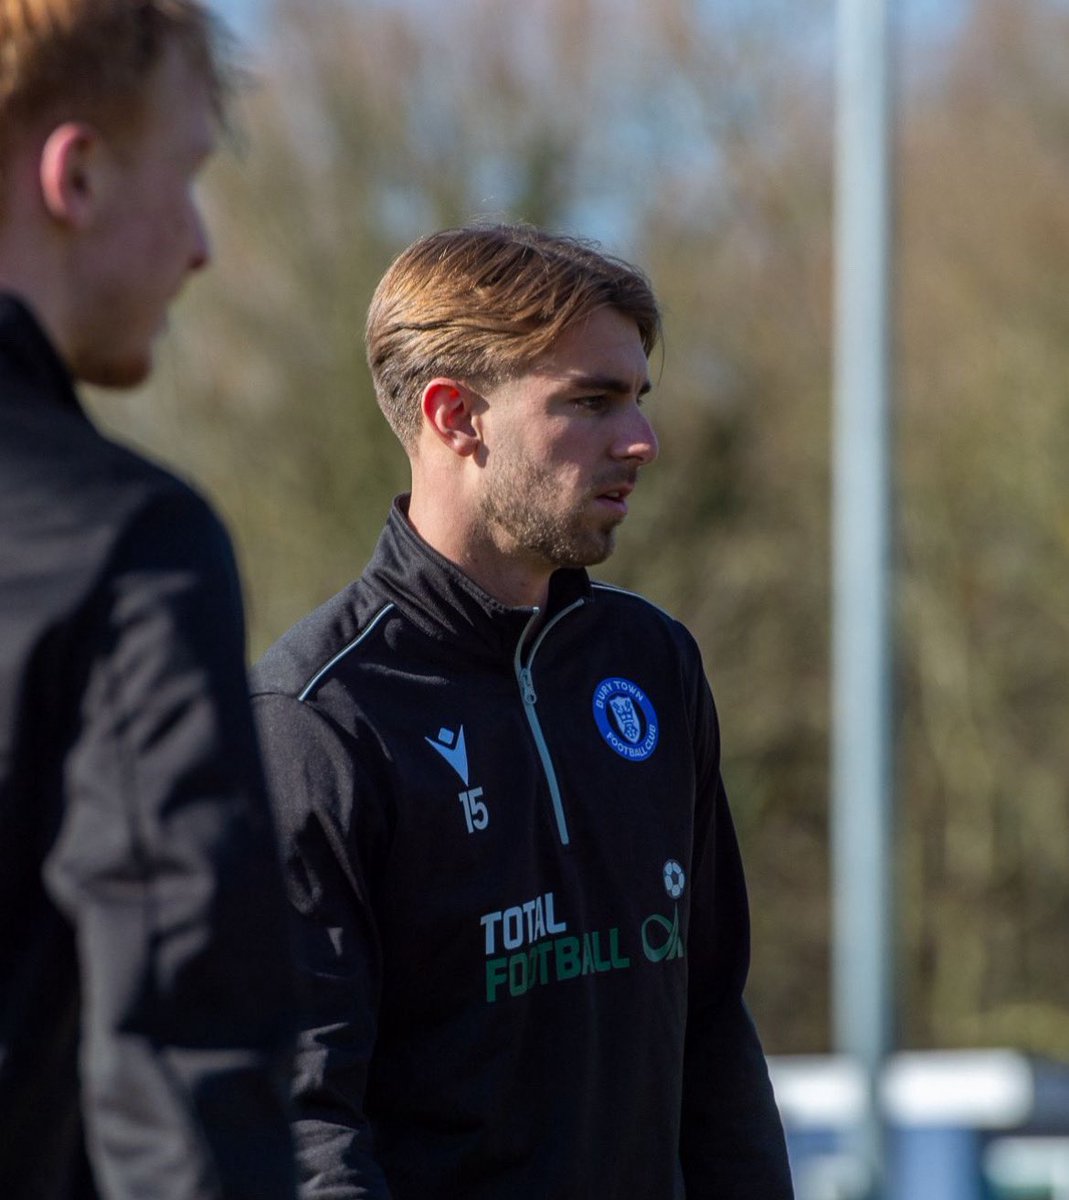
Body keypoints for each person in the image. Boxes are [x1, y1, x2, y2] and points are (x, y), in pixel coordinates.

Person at [253, 223, 794, 1199]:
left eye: (637, 400)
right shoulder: (315, 724)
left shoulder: (652, 664)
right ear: (455, 415)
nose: (640, 440)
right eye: (589, 402)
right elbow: (301, 1127)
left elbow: (709, 1021)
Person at [0, 3, 297, 1197]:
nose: (199, 244)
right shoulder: (126, 542)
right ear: (76, 174)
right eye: (187, 176)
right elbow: (183, 1073)